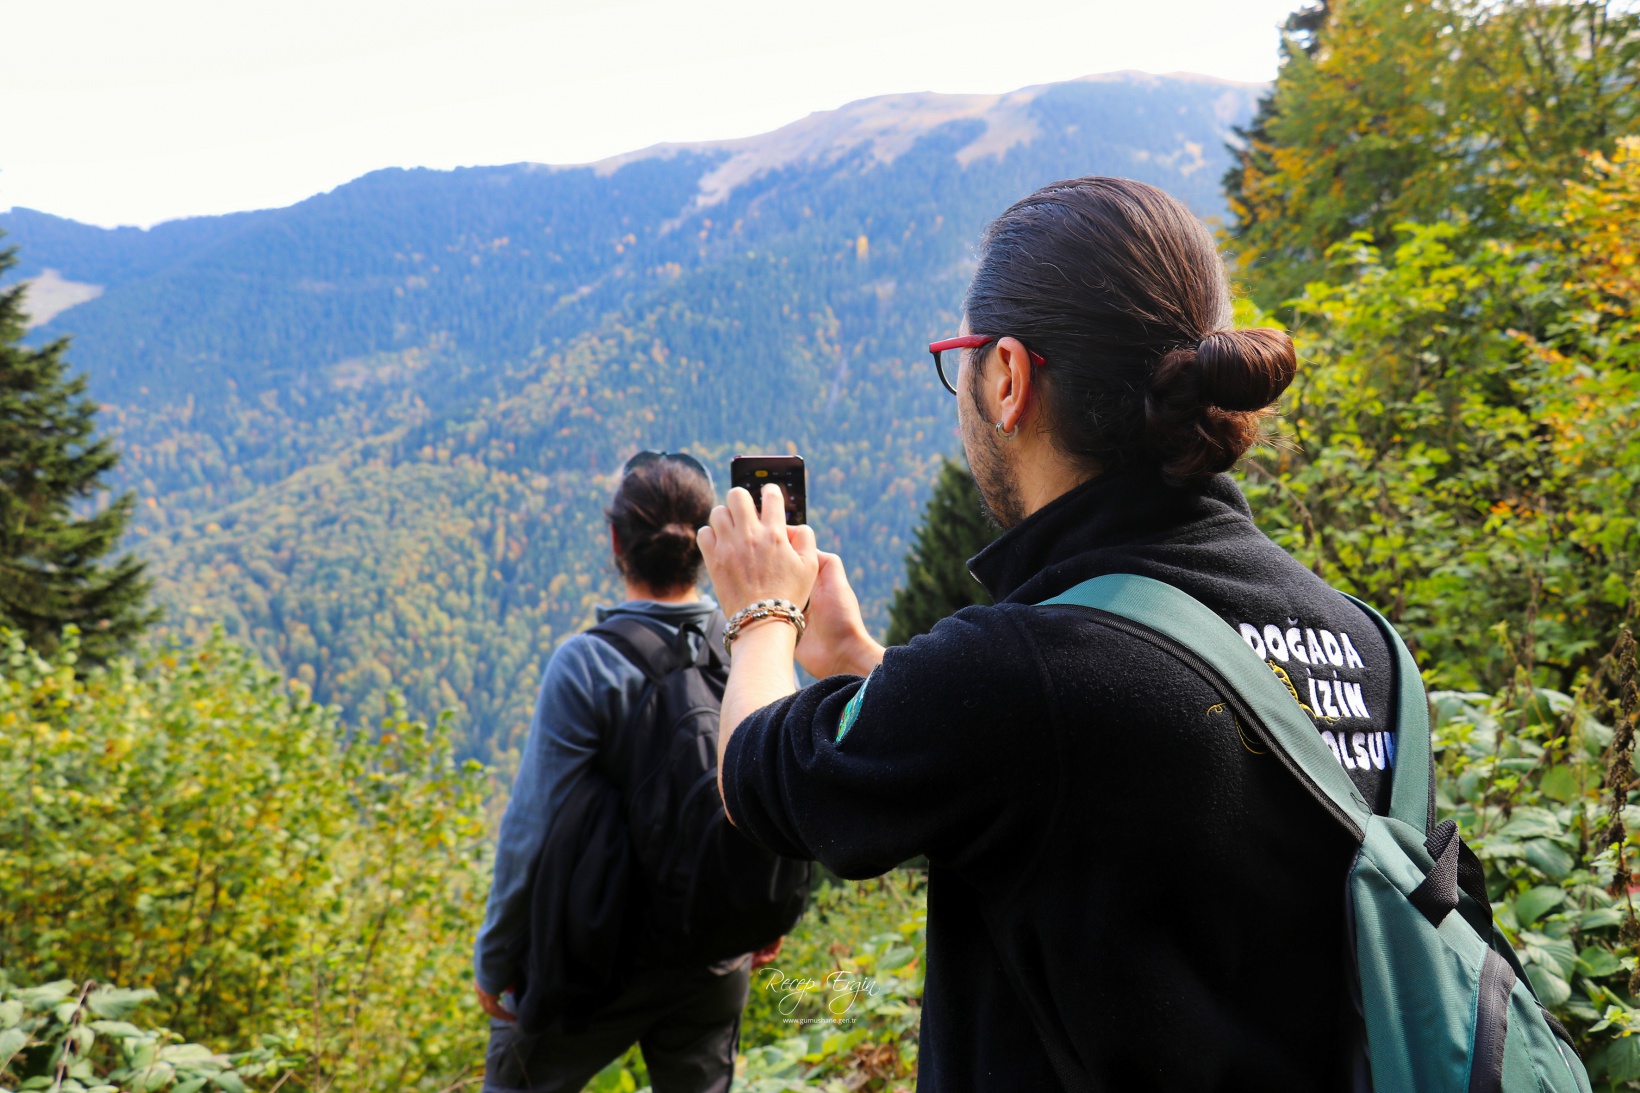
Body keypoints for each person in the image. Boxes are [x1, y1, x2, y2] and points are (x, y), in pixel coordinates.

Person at [698, 177, 1407, 1091]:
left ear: (1007, 379)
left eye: (962, 360)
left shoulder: (1023, 672)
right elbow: (1089, 782)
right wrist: (867, 671)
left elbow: (756, 778)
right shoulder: (1370, 646)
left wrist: (763, 613)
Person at [475, 451, 764, 1093]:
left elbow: (531, 829)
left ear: (615, 544)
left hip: (599, 957)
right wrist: (762, 920)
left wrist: (495, 959)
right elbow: (773, 783)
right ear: (707, 543)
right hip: (711, 950)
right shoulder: (749, 644)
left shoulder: (585, 666)